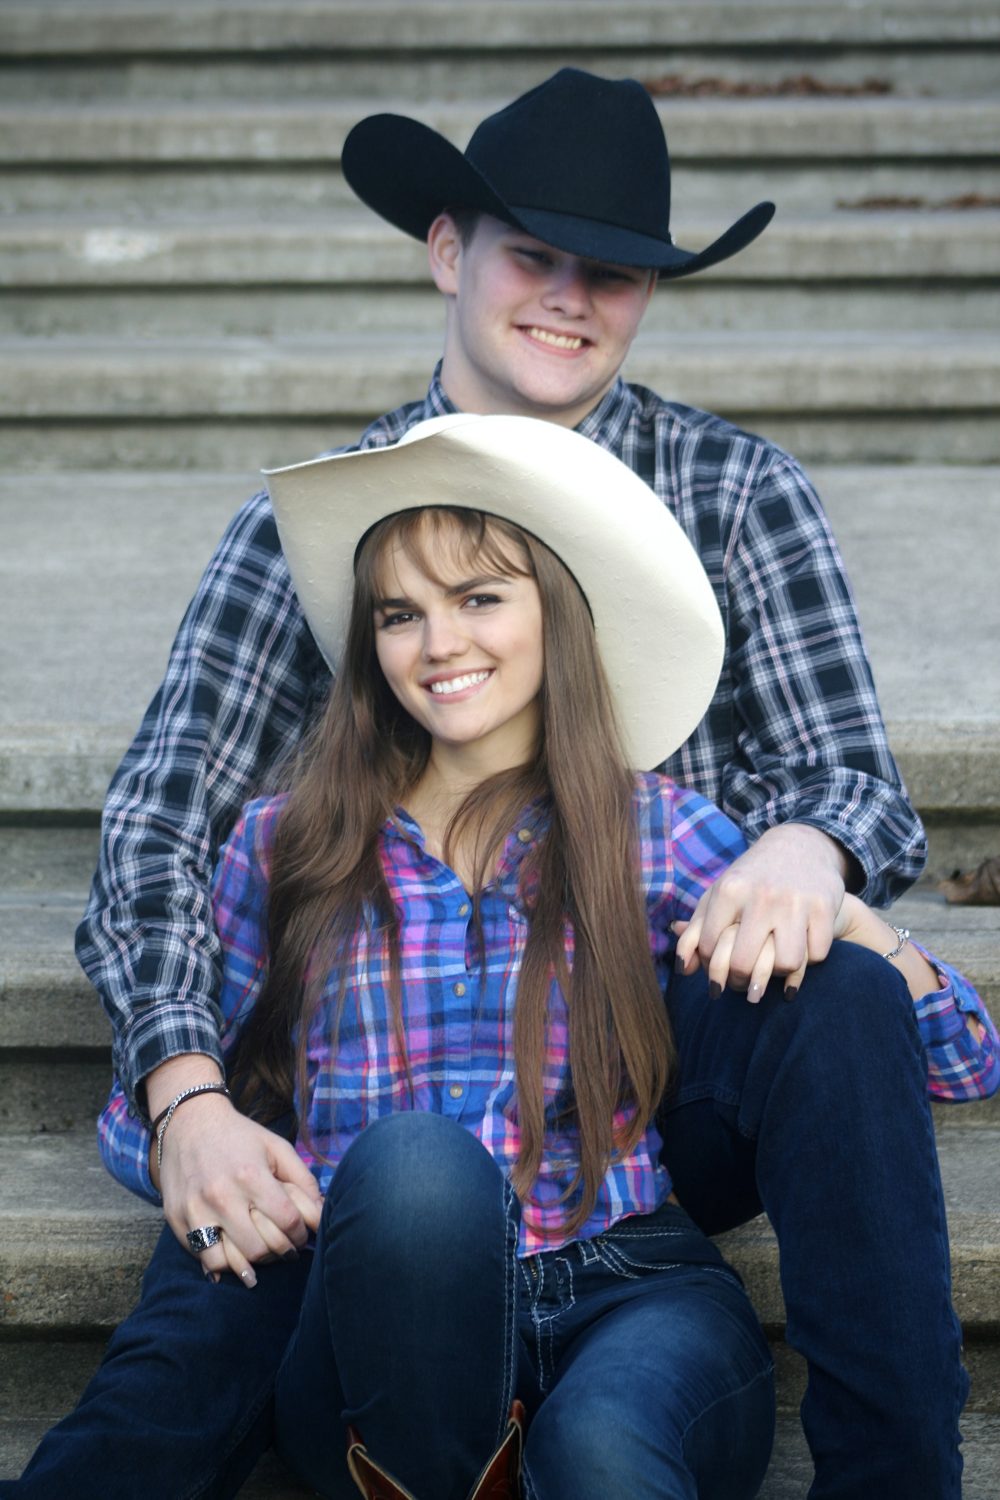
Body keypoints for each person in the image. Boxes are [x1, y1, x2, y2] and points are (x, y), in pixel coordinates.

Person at [71, 68, 955, 1496]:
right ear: (447, 253)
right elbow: (167, 821)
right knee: (232, 1313)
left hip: (657, 1074)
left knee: (843, 998)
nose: (568, 297)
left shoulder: (732, 488)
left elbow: (850, 778)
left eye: (610, 272)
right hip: (392, 1087)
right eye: (530, 255)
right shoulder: (332, 521)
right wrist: (187, 1094)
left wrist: (806, 850)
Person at [11, 417, 998, 1500]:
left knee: (605, 1458)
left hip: (630, 1279)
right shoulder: (285, 843)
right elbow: (161, 1129)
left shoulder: (655, 830)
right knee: (417, 1168)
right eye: (400, 613)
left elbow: (954, 1060)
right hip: (387, 1315)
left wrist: (841, 909)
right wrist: (195, 1142)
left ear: (552, 615)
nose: (438, 644)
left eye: (479, 598)